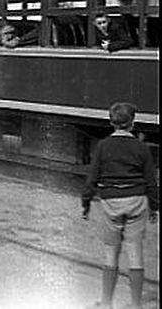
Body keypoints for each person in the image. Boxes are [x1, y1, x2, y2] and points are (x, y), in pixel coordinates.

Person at [82, 102, 159, 309]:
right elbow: (151, 182)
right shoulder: (141, 147)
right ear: (132, 123)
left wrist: (86, 203)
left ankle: (106, 304)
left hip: (111, 203)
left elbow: (92, 178)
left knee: (111, 253)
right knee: (135, 254)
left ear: (111, 122)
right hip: (137, 201)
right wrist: (154, 207)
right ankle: (135, 305)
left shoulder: (103, 146)